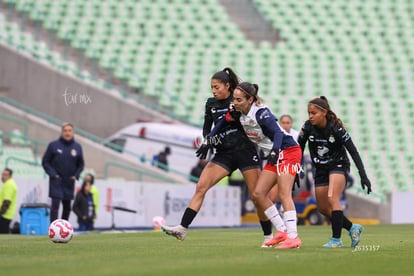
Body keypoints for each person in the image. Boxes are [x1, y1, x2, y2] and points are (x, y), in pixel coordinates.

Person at [161, 68, 272, 247]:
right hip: (224, 154)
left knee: (256, 196)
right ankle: (182, 228)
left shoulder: (237, 100)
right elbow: (207, 128)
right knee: (201, 187)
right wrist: (208, 141)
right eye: (211, 87)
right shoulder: (210, 103)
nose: (213, 90)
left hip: (245, 151)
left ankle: (268, 236)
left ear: (227, 86)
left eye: (216, 87)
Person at [229, 82, 302, 249]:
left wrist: (275, 151)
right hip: (275, 155)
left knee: (284, 194)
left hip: (288, 150)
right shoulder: (241, 114)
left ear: (250, 99)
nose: (235, 102)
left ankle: (293, 237)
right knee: (258, 194)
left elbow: (277, 132)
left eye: (239, 99)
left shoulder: (261, 112)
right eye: (234, 99)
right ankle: (282, 231)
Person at [297, 96, 372, 248]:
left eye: (314, 113)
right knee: (323, 208)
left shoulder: (336, 128)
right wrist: (297, 168)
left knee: (332, 198)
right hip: (321, 168)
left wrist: (363, 175)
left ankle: (336, 240)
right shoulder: (307, 127)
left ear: (324, 112)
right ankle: (352, 228)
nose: (310, 116)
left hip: (338, 165)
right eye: (309, 113)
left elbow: (353, 151)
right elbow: (298, 147)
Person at [42, 123, 84, 223]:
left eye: (69, 130)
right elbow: (45, 162)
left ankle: (64, 229)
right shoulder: (53, 145)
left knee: (67, 207)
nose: (67, 133)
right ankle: (53, 228)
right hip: (56, 181)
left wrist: (76, 175)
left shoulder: (77, 147)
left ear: (73, 133)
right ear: (62, 132)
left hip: (69, 181)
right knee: (55, 205)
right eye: (65, 130)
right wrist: (53, 174)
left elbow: (81, 164)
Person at [0, 168, 17, 234]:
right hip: (7, 214)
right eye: (3, 174)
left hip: (5, 215)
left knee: (3, 234)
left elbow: (7, 202)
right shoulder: (8, 184)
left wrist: (1, 212)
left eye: (5, 175)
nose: (3, 176)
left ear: (10, 176)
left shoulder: (9, 185)